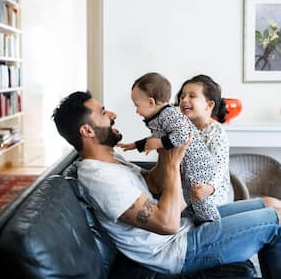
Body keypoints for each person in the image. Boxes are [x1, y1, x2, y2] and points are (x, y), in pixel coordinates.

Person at [52, 91, 281, 277]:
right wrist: (172, 167)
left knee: (270, 203)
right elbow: (168, 223)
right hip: (176, 250)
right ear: (87, 130)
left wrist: (166, 143)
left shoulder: (112, 161)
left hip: (187, 228)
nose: (112, 114)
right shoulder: (100, 178)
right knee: (277, 221)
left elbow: (153, 184)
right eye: (103, 112)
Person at [117, 72, 220, 224]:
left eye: (137, 105)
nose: (137, 111)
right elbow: (155, 139)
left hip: (199, 165)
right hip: (186, 166)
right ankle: (197, 221)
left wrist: (159, 143)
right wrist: (134, 145)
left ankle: (213, 224)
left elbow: (183, 135)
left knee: (200, 200)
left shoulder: (169, 114)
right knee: (188, 198)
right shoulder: (159, 116)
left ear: (151, 102)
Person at [175, 74, 233, 204]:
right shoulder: (181, 130)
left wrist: (210, 187)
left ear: (209, 105)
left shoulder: (216, 131)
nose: (184, 99)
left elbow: (220, 165)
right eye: (182, 96)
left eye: (192, 96)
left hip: (212, 196)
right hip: (187, 195)